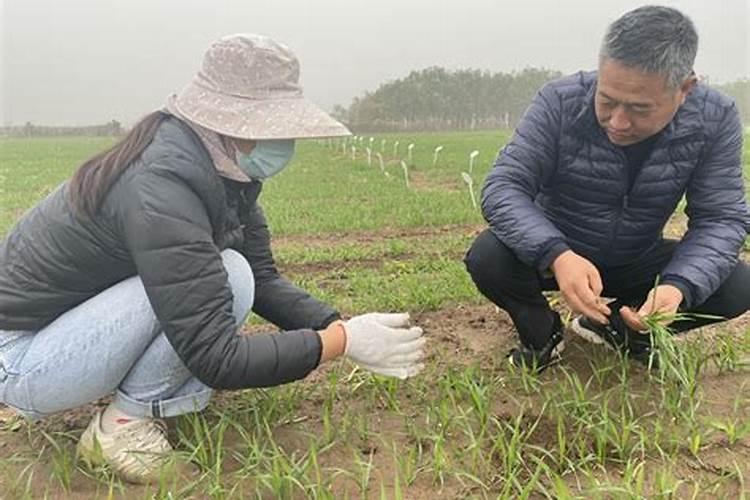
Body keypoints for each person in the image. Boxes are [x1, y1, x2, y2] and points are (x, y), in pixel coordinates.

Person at [0, 34, 426, 483]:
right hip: (23, 358)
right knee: (224, 275)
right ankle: (120, 429)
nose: (287, 140)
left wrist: (334, 322)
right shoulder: (161, 185)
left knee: (237, 273)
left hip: (67, 335)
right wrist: (339, 343)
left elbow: (261, 279)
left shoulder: (221, 174)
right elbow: (214, 356)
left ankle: (143, 406)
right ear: (234, 124)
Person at [465, 6, 750, 372]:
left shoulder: (714, 118)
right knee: (490, 256)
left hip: (636, 256)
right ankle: (541, 333)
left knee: (737, 284)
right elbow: (504, 186)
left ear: (685, 89)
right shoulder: (559, 101)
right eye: (607, 100)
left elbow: (721, 218)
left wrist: (678, 286)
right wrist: (557, 254)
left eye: (638, 109)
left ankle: (619, 328)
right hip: (558, 253)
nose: (617, 121)